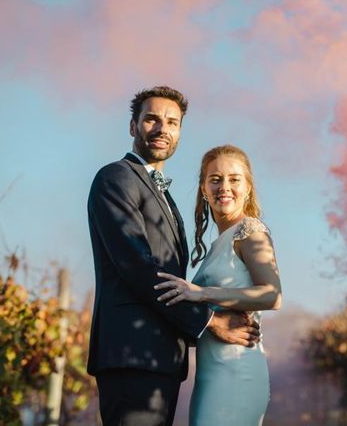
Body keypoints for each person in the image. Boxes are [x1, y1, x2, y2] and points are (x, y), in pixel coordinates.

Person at [87, 87, 260, 426]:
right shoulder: (116, 178)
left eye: (172, 122)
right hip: (132, 355)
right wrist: (210, 322)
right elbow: (138, 267)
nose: (162, 129)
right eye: (151, 119)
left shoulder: (162, 192)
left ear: (180, 131)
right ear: (133, 126)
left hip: (161, 356)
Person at [155, 144, 282, 425]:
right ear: (203, 189)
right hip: (211, 374)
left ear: (248, 187)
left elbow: (272, 295)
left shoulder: (251, 232)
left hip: (237, 372)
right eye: (215, 179)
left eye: (234, 179)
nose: (224, 186)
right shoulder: (217, 245)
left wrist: (201, 293)